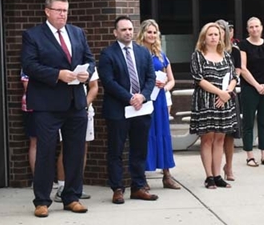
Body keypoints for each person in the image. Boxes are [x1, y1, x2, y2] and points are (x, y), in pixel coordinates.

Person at [21, 0, 95, 217]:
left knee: (75, 151)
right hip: (47, 105)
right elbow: (30, 65)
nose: (63, 14)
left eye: (65, 10)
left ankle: (72, 196)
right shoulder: (33, 35)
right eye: (58, 10)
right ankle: (42, 201)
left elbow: (90, 59)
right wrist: (57, 75)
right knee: (46, 151)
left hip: (75, 102)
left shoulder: (77, 32)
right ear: (47, 11)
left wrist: (86, 73)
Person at [98, 16, 159, 204]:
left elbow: (150, 78)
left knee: (139, 149)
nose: (128, 32)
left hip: (141, 109)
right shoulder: (108, 54)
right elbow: (108, 82)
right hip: (118, 110)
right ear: (115, 32)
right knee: (116, 151)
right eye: (123, 29)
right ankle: (117, 188)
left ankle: (138, 187)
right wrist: (129, 97)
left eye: (130, 29)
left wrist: (142, 96)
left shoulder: (143, 53)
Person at [189, 22, 238, 189]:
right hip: (206, 102)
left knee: (220, 139)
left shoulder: (226, 55)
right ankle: (209, 176)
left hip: (224, 103)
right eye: (210, 34)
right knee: (208, 139)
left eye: (216, 34)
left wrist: (227, 94)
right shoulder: (198, 55)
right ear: (204, 37)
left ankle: (217, 175)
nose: (213, 37)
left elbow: (233, 77)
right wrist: (220, 93)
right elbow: (199, 79)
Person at [135, 19, 181, 190]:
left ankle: (167, 175)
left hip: (160, 99)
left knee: (163, 135)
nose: (152, 35)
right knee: (146, 136)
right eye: (149, 32)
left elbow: (172, 80)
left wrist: (165, 87)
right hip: (146, 99)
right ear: (143, 34)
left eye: (155, 32)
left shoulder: (161, 55)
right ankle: (143, 177)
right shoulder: (138, 53)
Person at [54, 69, 99, 201]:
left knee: (82, 148)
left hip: (84, 111)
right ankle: (62, 186)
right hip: (66, 110)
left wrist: (83, 105)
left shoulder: (87, 65)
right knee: (66, 147)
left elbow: (94, 87)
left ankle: (76, 185)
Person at [239, 17, 264, 167]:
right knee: (248, 121)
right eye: (251, 27)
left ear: (261, 28)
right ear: (248, 29)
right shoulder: (243, 45)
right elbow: (242, 68)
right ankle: (249, 155)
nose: (254, 29)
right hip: (249, 88)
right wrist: (256, 85)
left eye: (257, 26)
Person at [216, 19, 241, 181]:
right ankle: (215, 169)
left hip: (230, 94)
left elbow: (237, 71)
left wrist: (228, 90)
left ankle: (229, 166)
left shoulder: (234, 51)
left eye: (221, 30)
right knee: (216, 134)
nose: (218, 33)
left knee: (230, 134)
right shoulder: (206, 50)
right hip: (213, 95)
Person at [20, 70, 37, 175]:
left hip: (49, 108)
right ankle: (37, 177)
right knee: (35, 142)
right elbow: (28, 87)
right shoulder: (28, 64)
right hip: (31, 108)